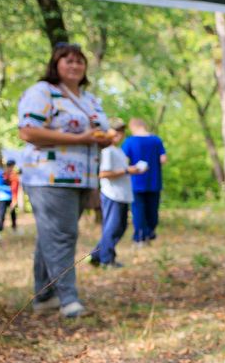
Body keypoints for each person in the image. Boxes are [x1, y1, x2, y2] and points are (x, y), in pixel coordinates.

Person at [16, 42, 113, 318]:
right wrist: (79, 139)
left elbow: (95, 134)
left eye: (79, 61)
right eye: (68, 60)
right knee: (63, 236)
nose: (74, 65)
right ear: (55, 64)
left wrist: (105, 139)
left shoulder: (88, 99)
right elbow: (28, 131)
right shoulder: (43, 92)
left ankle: (44, 296)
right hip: (48, 176)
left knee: (52, 235)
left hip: (82, 177)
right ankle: (68, 299)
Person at [90, 119, 140, 267]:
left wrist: (132, 170)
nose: (119, 134)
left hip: (123, 194)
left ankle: (96, 255)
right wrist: (126, 170)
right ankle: (106, 259)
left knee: (120, 227)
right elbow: (103, 173)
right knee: (112, 228)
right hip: (112, 194)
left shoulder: (119, 151)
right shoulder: (107, 151)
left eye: (121, 131)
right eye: (115, 130)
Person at [122, 117, 166, 245]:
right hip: (154, 182)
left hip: (136, 183)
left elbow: (123, 161)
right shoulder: (156, 140)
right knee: (153, 210)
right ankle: (149, 233)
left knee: (138, 211)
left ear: (133, 127)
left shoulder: (129, 141)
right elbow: (163, 159)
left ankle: (140, 238)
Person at [0, 160, 16, 239]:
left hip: (11, 198)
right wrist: (9, 189)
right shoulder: (0, 174)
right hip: (2, 198)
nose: (11, 168)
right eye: (10, 166)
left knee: (13, 214)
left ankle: (14, 228)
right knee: (1, 215)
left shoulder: (13, 174)